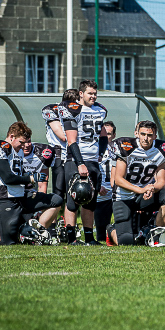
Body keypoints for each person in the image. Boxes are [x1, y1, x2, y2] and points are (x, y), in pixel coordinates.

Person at [0, 122, 64, 246]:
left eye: (26, 142)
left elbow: (19, 173)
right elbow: (8, 178)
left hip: (22, 196)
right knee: (7, 243)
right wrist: (32, 178)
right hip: (6, 198)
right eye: (21, 142)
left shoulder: (19, 151)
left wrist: (31, 184)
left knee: (56, 200)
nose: (23, 146)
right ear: (11, 137)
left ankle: (37, 232)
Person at [108, 121, 165, 246]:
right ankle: (111, 230)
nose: (146, 138)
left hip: (144, 195)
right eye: (143, 134)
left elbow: (161, 182)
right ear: (137, 134)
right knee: (126, 242)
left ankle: (156, 235)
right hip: (123, 196)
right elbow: (118, 180)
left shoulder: (160, 150)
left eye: (149, 135)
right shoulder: (126, 146)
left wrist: (151, 188)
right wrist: (141, 190)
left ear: (155, 136)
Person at [60, 80, 108, 246]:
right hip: (75, 159)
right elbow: (71, 141)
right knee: (73, 199)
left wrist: (100, 154)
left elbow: (103, 135)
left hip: (93, 159)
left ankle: (89, 237)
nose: (93, 96)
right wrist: (80, 163)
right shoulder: (72, 110)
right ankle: (71, 237)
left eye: (95, 93)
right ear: (81, 94)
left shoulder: (100, 110)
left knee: (90, 199)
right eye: (90, 93)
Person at [41, 89, 79, 204]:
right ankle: (52, 220)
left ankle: (69, 221)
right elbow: (62, 135)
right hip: (59, 154)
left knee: (73, 191)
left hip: (73, 153)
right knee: (58, 191)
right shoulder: (53, 109)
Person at [93, 121, 117, 244]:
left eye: (108, 133)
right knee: (101, 233)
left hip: (116, 192)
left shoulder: (118, 149)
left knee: (122, 225)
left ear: (114, 135)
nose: (105, 136)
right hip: (101, 192)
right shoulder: (93, 149)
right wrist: (97, 186)